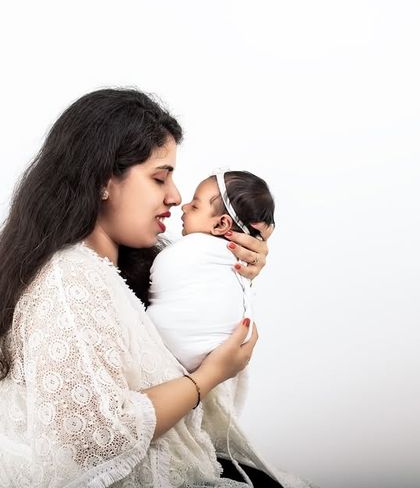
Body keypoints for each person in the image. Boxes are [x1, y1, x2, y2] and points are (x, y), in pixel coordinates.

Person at [0, 88, 316, 488]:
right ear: (102, 181)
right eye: (159, 176)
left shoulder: (132, 269)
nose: (176, 196)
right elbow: (91, 443)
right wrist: (207, 378)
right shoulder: (69, 280)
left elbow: (183, 349)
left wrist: (230, 274)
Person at [147, 170, 275, 373]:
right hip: (212, 359)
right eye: (158, 179)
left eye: (195, 206)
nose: (183, 205)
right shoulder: (227, 257)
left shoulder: (188, 252)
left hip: (171, 355)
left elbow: (163, 275)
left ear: (221, 224)